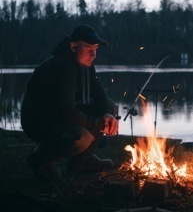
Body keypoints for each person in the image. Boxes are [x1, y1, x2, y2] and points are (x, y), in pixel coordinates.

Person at [21, 24, 119, 182]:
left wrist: (106, 114)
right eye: (88, 48)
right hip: (40, 121)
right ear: (73, 46)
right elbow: (67, 112)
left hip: (61, 114)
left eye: (95, 48)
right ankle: (40, 158)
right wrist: (95, 123)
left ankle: (82, 161)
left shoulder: (85, 65)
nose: (93, 53)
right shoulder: (63, 66)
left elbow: (100, 96)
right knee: (82, 137)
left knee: (110, 107)